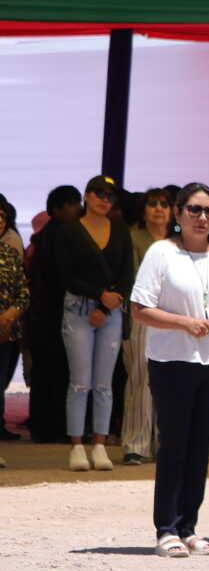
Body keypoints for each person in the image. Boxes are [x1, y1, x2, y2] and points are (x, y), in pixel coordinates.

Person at [130, 184, 209, 558]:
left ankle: (188, 527)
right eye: (194, 210)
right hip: (173, 362)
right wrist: (184, 323)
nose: (202, 218)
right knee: (174, 444)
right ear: (178, 213)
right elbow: (140, 309)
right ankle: (166, 528)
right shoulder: (161, 253)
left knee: (201, 447)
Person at [58, 174, 134, 472]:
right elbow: (64, 274)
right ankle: (77, 445)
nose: (105, 199)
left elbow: (127, 272)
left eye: (110, 196)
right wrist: (98, 295)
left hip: (111, 309)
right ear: (87, 196)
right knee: (80, 381)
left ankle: (100, 443)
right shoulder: (70, 230)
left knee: (104, 383)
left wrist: (107, 303)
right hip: (78, 308)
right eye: (99, 193)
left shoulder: (120, 229)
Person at [120, 187, 172, 465]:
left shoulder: (179, 240)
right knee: (140, 378)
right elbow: (133, 279)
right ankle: (136, 444)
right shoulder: (133, 237)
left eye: (164, 204)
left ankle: (165, 443)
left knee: (170, 380)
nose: (159, 208)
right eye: (153, 204)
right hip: (141, 314)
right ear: (143, 210)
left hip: (174, 317)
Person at [25, 185, 81, 445]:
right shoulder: (60, 235)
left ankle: (43, 427)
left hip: (43, 316)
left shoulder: (45, 236)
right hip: (52, 316)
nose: (77, 208)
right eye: (72, 204)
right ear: (57, 209)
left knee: (45, 375)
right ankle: (53, 428)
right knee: (55, 374)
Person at [0, 202, 28, 447]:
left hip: (8, 329)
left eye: (2, 217)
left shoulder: (9, 252)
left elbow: (24, 291)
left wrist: (11, 314)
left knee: (1, 382)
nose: (0, 221)